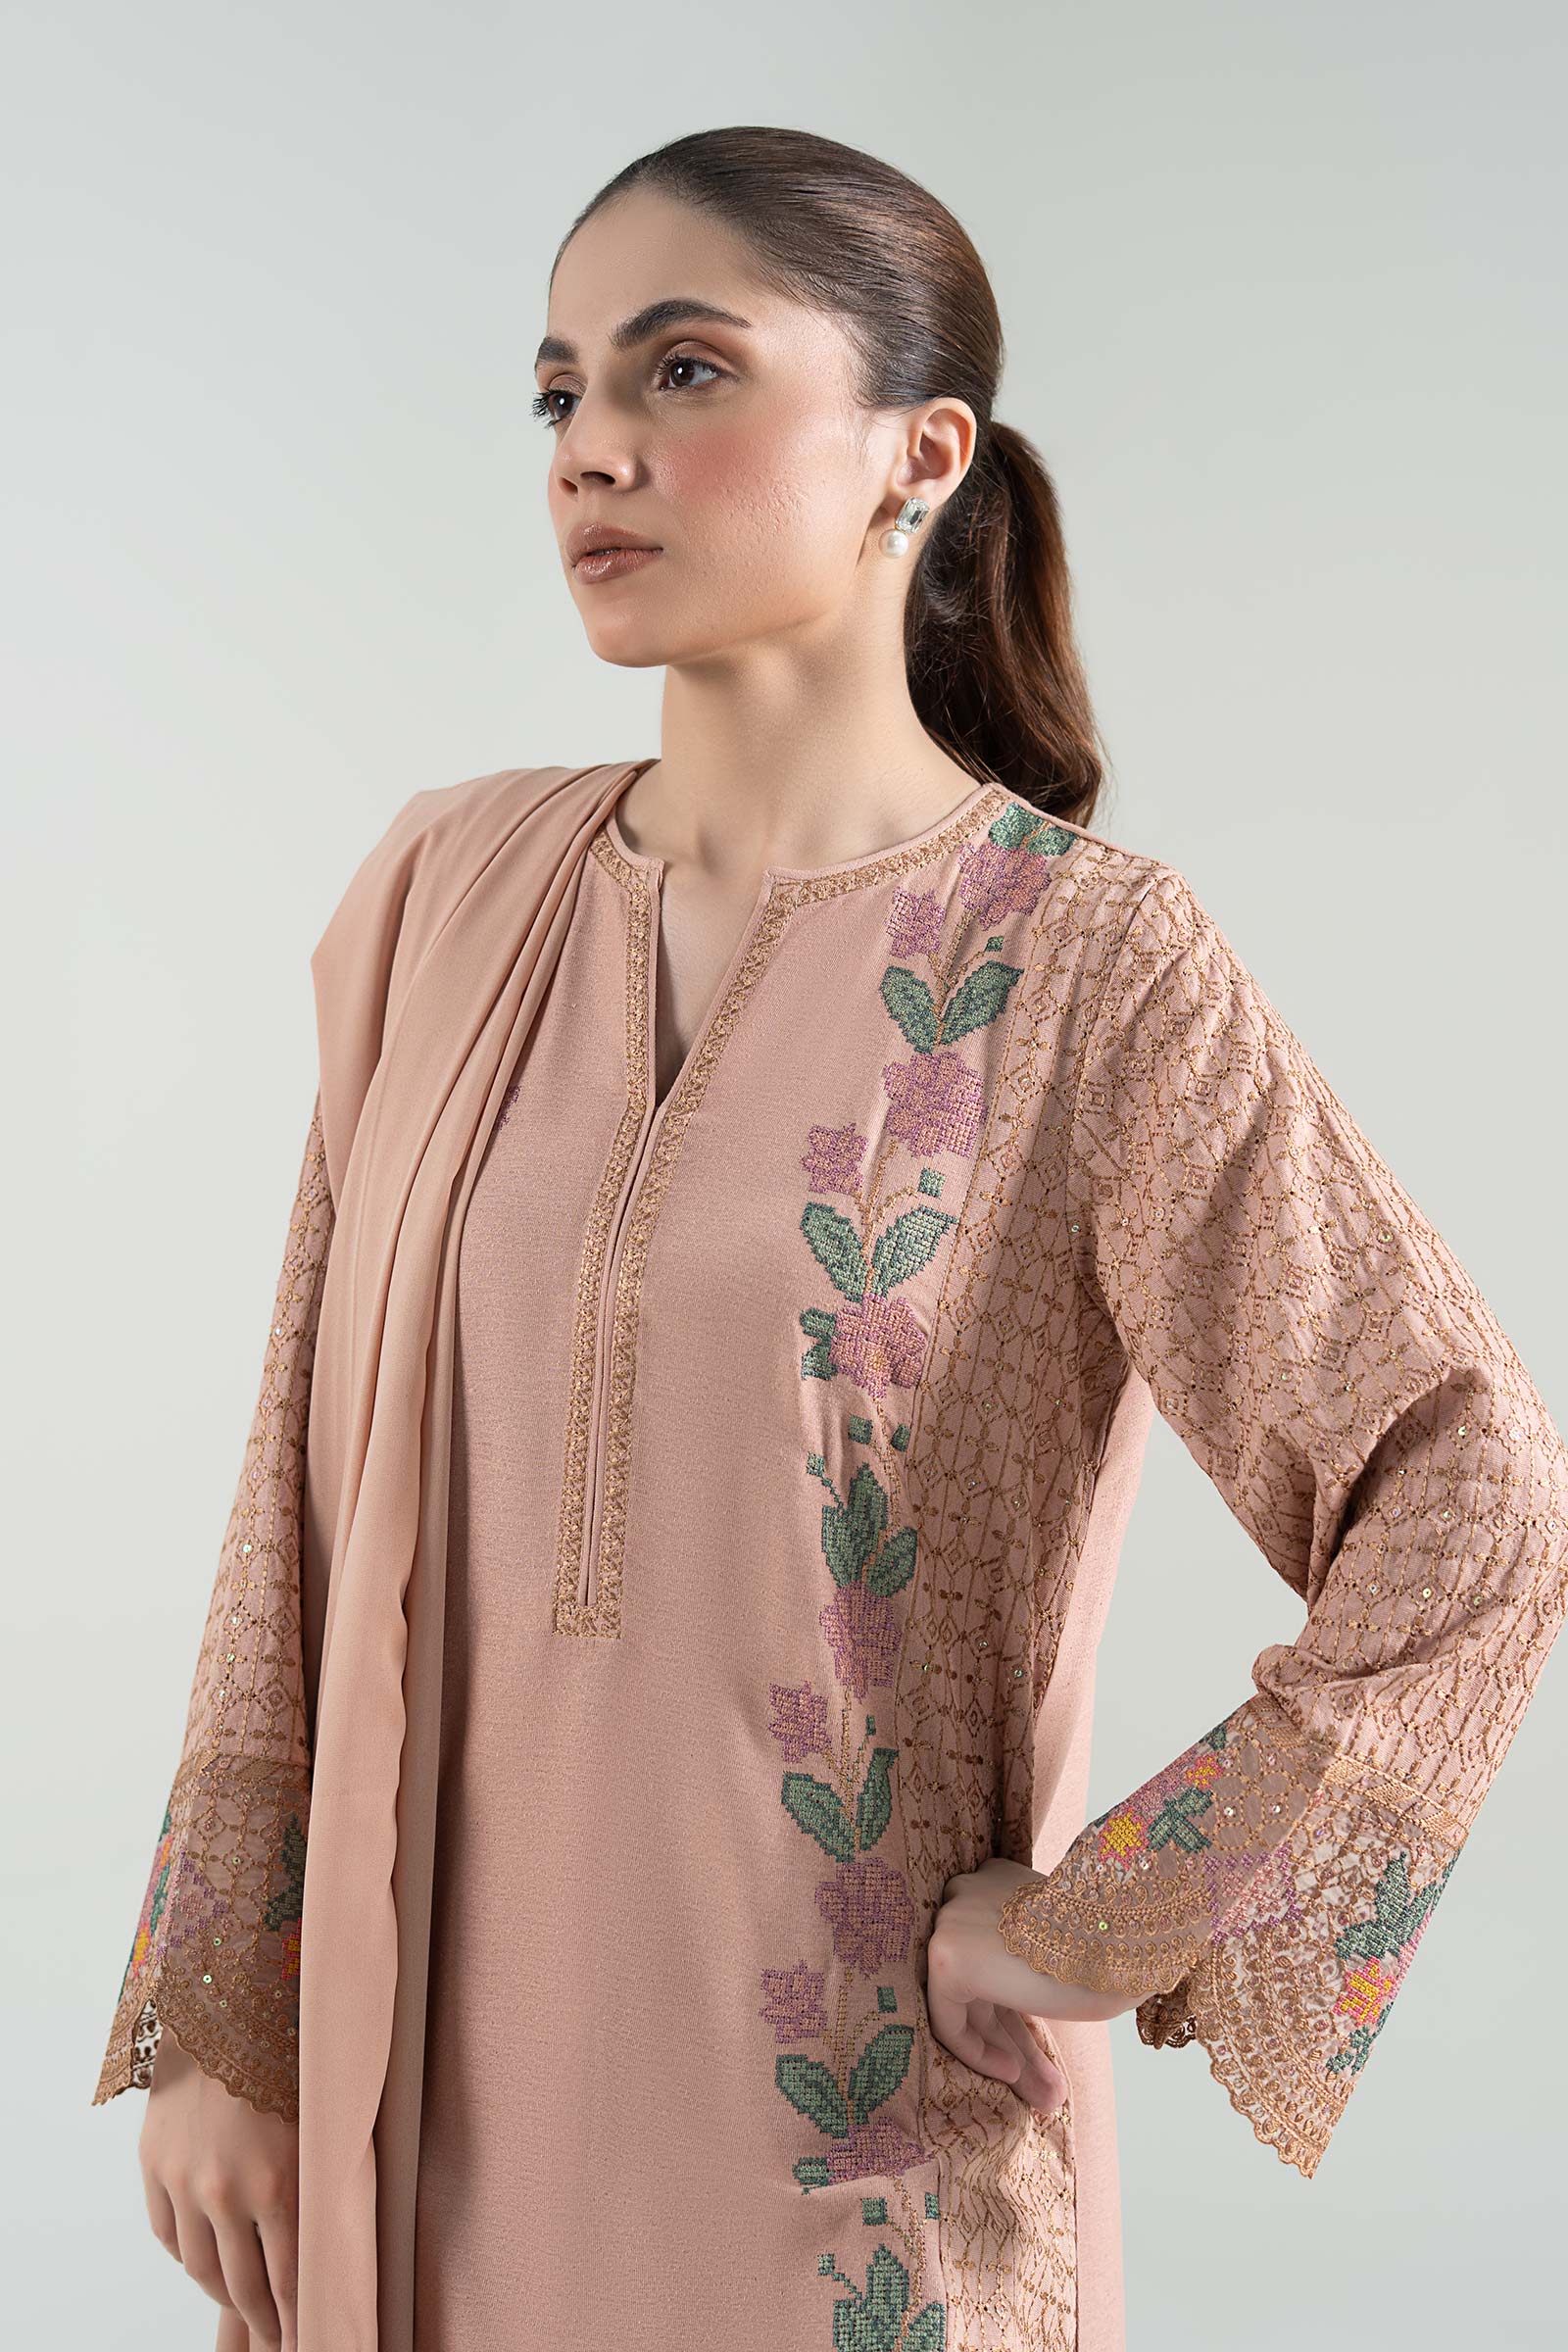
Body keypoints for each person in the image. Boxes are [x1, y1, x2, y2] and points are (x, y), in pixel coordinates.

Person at [92, 123, 1568, 2352]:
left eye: (682, 370)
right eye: (560, 390)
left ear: (919, 453)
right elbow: (295, 1487)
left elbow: (1472, 1493)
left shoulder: (1088, 970)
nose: (590, 447)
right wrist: (229, 2017)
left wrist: (1103, 1919)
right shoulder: (445, 893)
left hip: (855, 2179)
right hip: (421, 2131)